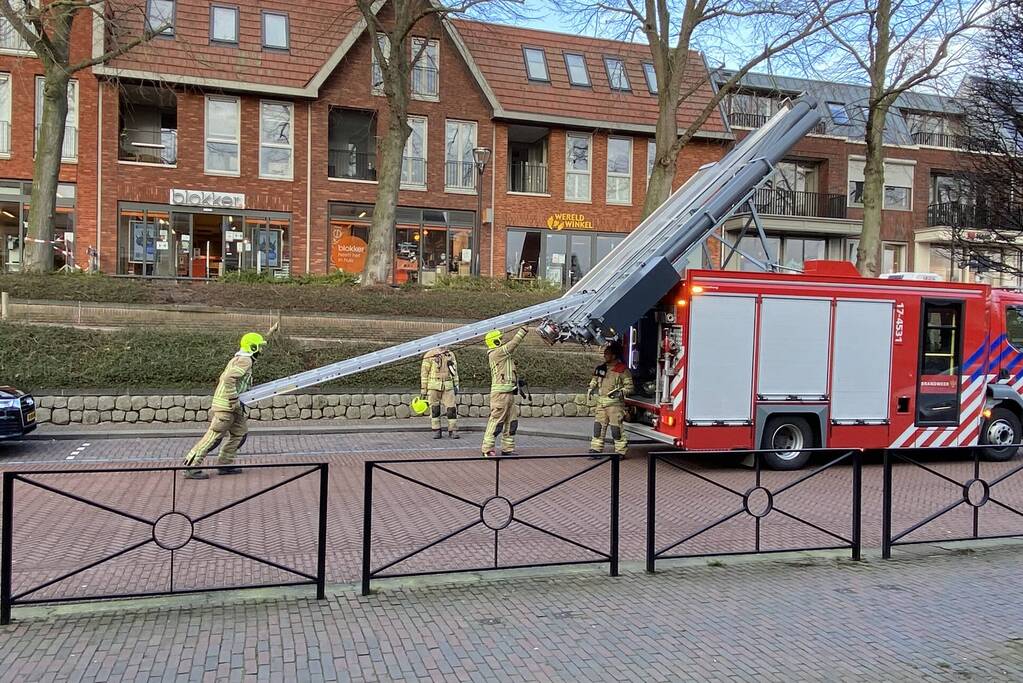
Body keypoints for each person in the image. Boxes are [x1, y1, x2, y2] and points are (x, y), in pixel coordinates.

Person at [182, 332, 267, 479]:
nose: (261, 350)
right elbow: (228, 378)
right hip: (227, 407)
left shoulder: (241, 359)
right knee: (213, 438)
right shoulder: (245, 360)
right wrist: (233, 399)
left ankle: (225, 464)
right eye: (259, 347)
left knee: (240, 434)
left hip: (234, 408)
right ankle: (191, 467)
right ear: (252, 347)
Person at [482, 327, 529, 457]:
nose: (502, 340)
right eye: (500, 339)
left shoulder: (504, 356)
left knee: (511, 423)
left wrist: (516, 381)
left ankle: (507, 449)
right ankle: (487, 449)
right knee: (496, 422)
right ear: (495, 341)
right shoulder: (496, 353)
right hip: (500, 394)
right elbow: (513, 344)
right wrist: (523, 330)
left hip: (509, 393)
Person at [588, 342, 634, 459]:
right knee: (598, 427)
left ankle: (620, 451)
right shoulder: (601, 368)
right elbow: (594, 379)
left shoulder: (622, 370)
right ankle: (595, 449)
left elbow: (629, 387)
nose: (604, 355)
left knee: (616, 429)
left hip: (615, 405)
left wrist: (620, 392)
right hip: (601, 403)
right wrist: (591, 387)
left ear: (613, 355)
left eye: (607, 354)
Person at [420, 346, 460, 439]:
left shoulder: (450, 354)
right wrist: (423, 389)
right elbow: (424, 373)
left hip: (448, 385)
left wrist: (456, 384)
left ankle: (453, 430)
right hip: (433, 386)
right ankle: (436, 430)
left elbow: (454, 371)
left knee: (451, 409)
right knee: (435, 409)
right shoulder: (429, 355)